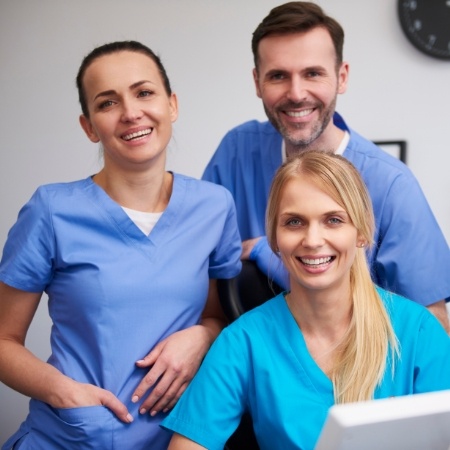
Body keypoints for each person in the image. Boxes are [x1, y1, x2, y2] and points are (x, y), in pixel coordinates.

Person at [0, 41, 242, 449]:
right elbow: (3, 340)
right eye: (108, 102)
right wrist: (64, 393)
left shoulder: (214, 207)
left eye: (144, 92)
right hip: (72, 437)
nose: (131, 112)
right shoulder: (52, 211)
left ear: (172, 105)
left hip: (180, 439)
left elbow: (216, 316)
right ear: (89, 126)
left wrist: (202, 337)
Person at [163, 151, 450, 450]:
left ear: (361, 232)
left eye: (334, 220)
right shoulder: (243, 342)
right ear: (274, 237)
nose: (312, 240)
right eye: (294, 222)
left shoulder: (417, 332)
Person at [202, 1, 450, 331]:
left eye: (313, 73)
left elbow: (432, 328)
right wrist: (203, 332)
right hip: (253, 366)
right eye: (278, 76)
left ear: (341, 77)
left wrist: (268, 254)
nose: (296, 93)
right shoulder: (237, 152)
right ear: (257, 81)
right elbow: (197, 268)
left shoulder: (390, 184)